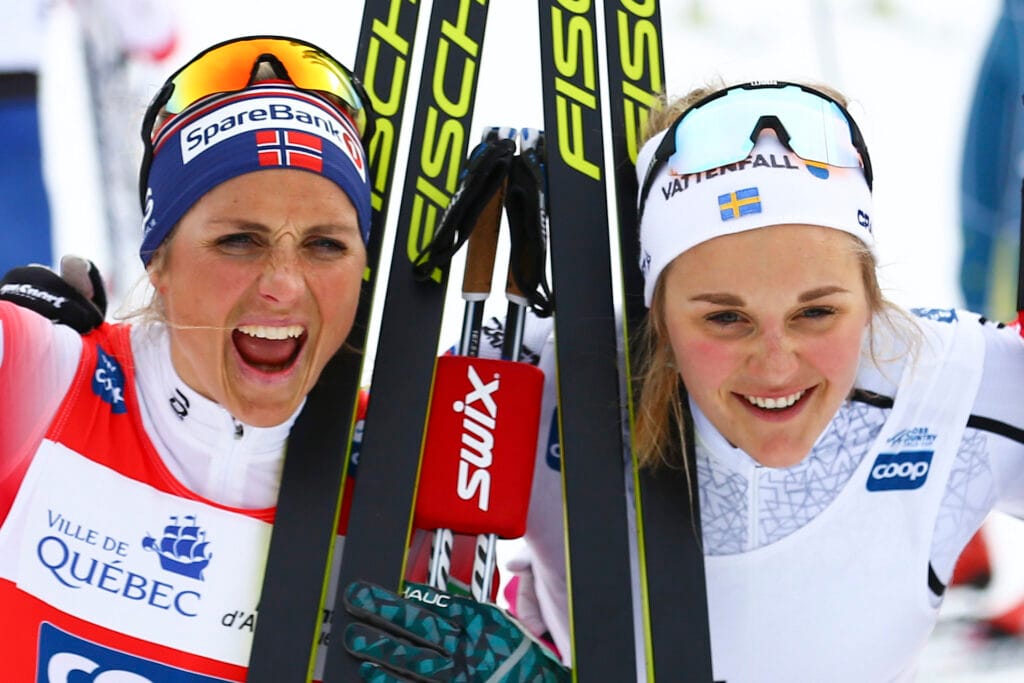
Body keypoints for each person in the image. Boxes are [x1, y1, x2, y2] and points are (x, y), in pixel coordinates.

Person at [0, 35, 566, 683]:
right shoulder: (45, 378)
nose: (284, 283)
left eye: (326, 244)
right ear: (158, 258)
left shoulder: (399, 487)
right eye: (239, 239)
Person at [505, 80, 1024, 681]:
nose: (776, 366)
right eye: (725, 318)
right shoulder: (540, 377)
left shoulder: (952, 380)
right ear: (659, 311)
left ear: (871, 298)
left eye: (817, 313)